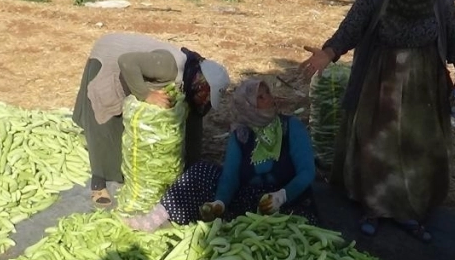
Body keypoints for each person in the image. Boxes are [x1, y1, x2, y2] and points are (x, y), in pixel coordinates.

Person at [299, 0, 455, 243]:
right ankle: (374, 208)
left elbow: (454, 34)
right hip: (381, 78)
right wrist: (328, 53)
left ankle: (408, 211)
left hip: (425, 81)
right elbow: (351, 28)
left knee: (418, 147)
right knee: (377, 144)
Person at [123, 79, 317, 232]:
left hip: (287, 200)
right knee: (200, 171)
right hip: (247, 198)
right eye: (260, 97)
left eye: (267, 94)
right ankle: (154, 219)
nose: (270, 99)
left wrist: (282, 196)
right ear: (247, 106)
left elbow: (307, 172)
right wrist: (220, 202)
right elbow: (230, 176)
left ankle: (237, 224)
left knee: (295, 226)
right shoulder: (241, 134)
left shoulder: (290, 127)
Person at [72, 33, 230, 207]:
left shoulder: (191, 81)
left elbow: (194, 123)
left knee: (123, 138)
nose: (205, 99)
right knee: (105, 121)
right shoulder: (170, 67)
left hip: (132, 68)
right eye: (207, 93)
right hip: (109, 59)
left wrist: (190, 171)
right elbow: (126, 62)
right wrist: (146, 94)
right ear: (201, 82)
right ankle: (98, 181)